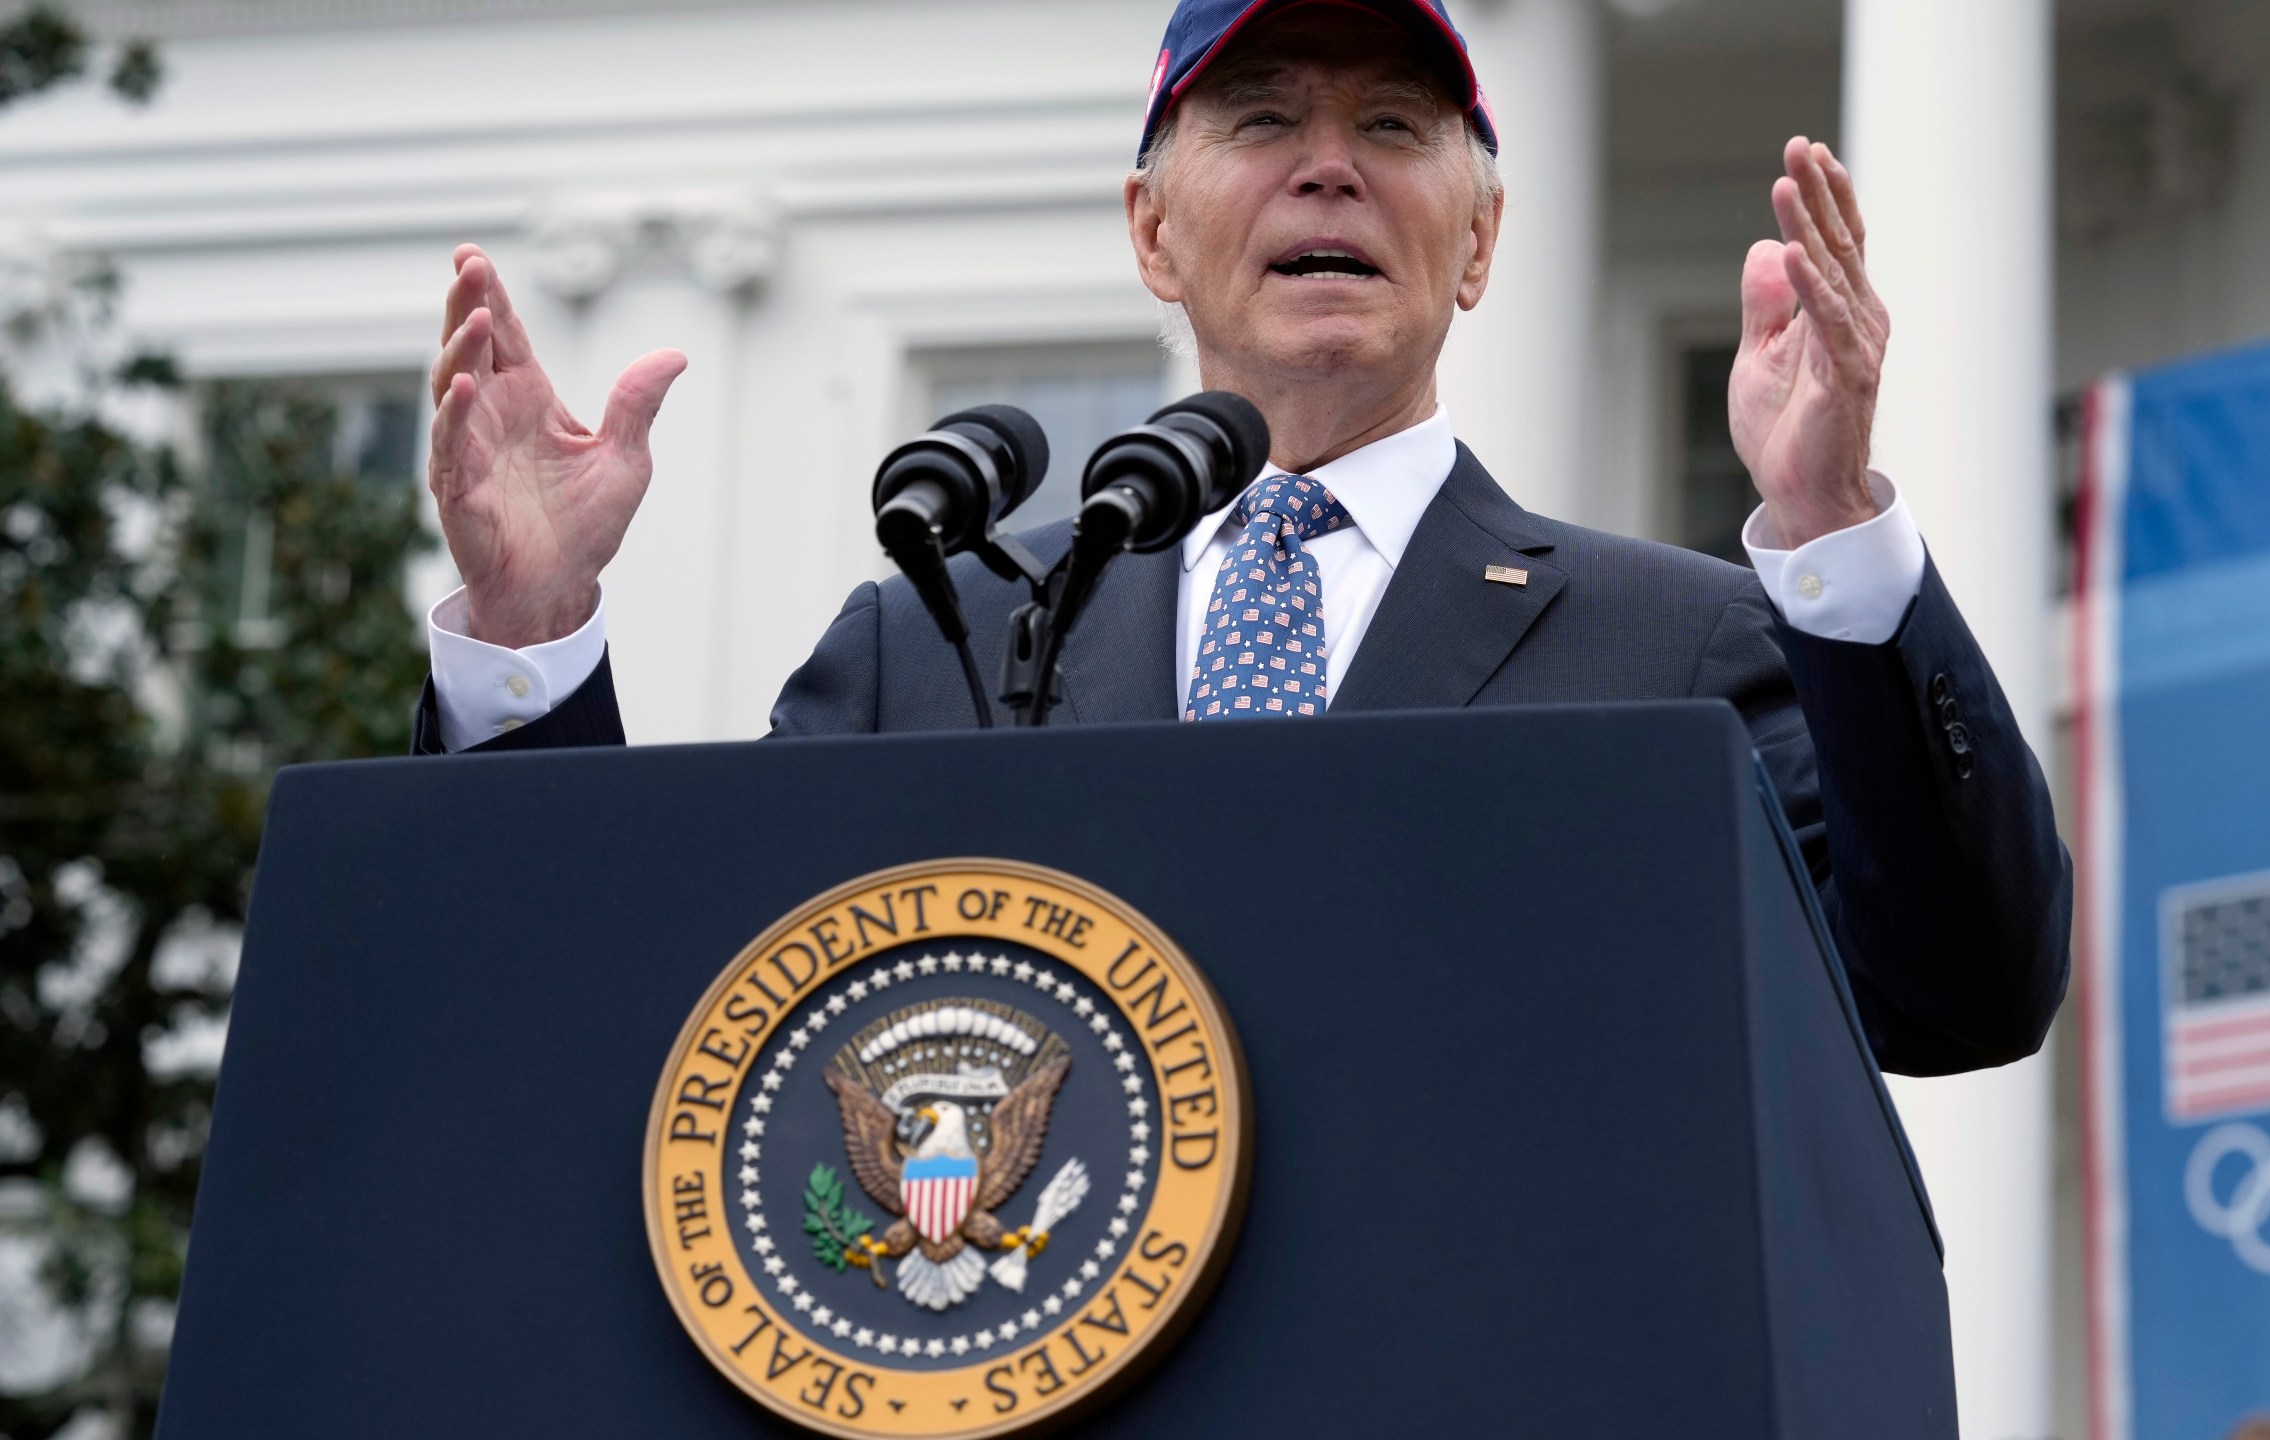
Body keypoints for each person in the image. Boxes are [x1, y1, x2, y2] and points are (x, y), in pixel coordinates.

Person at [413, 0, 2069, 1076]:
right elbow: (646, 1034)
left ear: (1480, 240)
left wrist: (1834, 524)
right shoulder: (934, 638)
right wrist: (532, 635)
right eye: (1264, 119)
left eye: (1397, 130)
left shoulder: (1681, 643)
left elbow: (1954, 1002)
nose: (1331, 169)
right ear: (1155, 227)